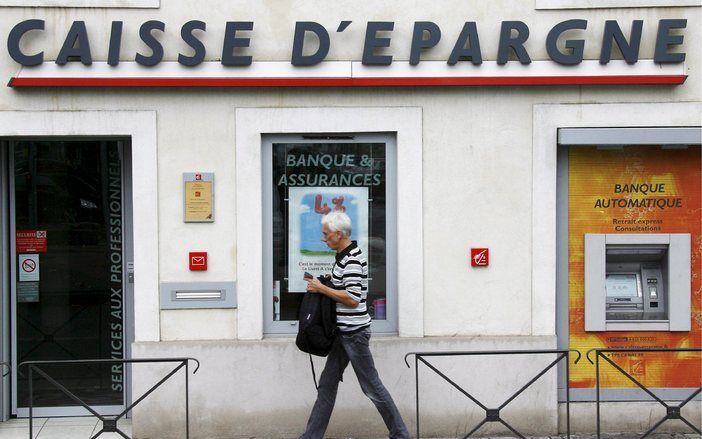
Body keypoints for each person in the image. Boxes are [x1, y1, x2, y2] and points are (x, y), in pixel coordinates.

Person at [300, 211, 410, 439]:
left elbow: (353, 298)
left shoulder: (351, 259)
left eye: (326, 233)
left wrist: (321, 289)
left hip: (355, 335)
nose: (323, 238)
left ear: (338, 234)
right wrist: (323, 283)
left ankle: (400, 435)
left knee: (372, 388)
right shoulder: (343, 256)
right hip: (344, 333)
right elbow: (344, 290)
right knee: (327, 385)